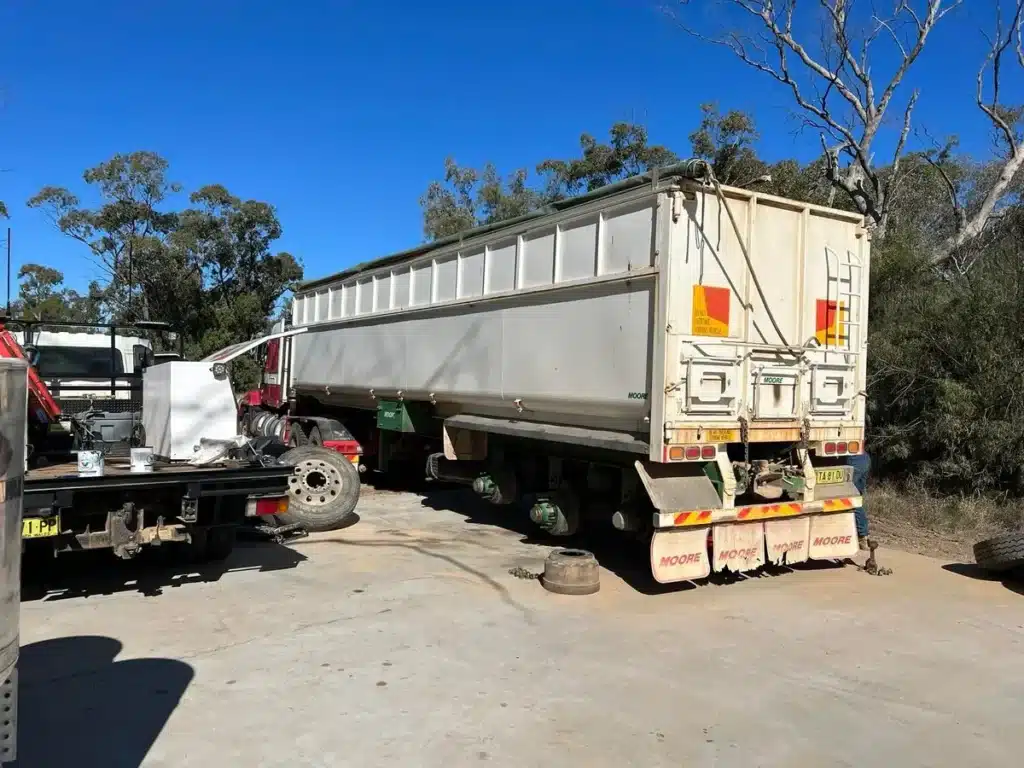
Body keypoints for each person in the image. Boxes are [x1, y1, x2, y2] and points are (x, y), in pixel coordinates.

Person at [848, 449, 871, 550]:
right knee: (856, 498)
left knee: (851, 499)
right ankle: (862, 535)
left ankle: (862, 536)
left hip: (853, 459)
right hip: (863, 457)